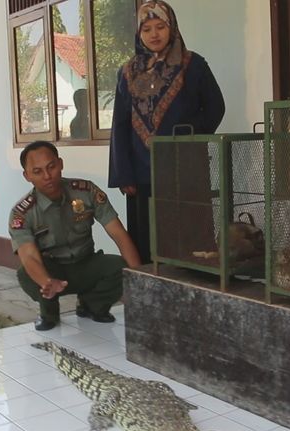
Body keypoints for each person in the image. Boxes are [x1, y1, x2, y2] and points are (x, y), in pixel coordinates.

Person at [108, 0, 225, 263]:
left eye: (160, 26)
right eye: (146, 28)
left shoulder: (193, 65)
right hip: (142, 171)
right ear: (139, 34)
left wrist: (188, 137)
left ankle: (192, 287)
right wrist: (123, 172)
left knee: (190, 236)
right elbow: (120, 125)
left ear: (171, 27)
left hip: (185, 168)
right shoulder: (127, 73)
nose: (154, 34)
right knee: (149, 240)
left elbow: (216, 108)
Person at [9, 141, 141, 331]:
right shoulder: (22, 213)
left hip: (85, 263)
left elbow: (118, 234)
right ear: (27, 175)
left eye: (51, 167)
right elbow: (28, 256)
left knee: (121, 267)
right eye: (37, 171)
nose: (47, 176)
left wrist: (138, 279)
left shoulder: (86, 191)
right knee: (27, 274)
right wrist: (47, 282)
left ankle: (92, 306)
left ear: (60, 163)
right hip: (53, 270)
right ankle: (49, 313)